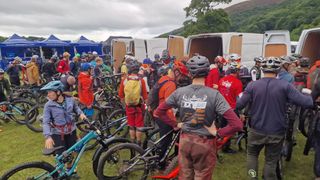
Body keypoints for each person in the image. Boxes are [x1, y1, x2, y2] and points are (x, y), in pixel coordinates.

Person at [154, 55, 243, 179]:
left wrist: (175, 124)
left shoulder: (180, 92)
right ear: (207, 72)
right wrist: (218, 133)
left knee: (185, 176)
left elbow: (158, 112)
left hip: (185, 141)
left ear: (190, 73)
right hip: (205, 143)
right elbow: (237, 124)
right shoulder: (214, 95)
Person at [236, 57, 313, 180]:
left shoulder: (252, 85)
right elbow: (306, 102)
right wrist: (311, 96)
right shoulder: (285, 86)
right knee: (271, 160)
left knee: (252, 155)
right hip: (276, 131)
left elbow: (239, 104)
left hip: (256, 129)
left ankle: (252, 177)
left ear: (262, 69)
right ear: (278, 69)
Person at [41, 81, 86, 178]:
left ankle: (70, 170)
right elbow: (46, 122)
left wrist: (81, 114)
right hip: (57, 133)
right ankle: (60, 173)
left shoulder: (70, 100)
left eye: (50, 92)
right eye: (47, 92)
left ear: (58, 92)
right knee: (60, 155)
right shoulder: (48, 105)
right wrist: (48, 137)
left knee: (71, 152)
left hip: (71, 131)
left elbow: (76, 109)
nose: (48, 94)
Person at [118, 60, 148, 146]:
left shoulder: (124, 80)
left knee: (131, 124)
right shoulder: (141, 81)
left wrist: (124, 104)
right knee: (139, 124)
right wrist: (147, 104)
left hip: (128, 106)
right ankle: (138, 143)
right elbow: (145, 96)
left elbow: (121, 95)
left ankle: (132, 142)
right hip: (139, 105)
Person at [153, 66, 176, 169]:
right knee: (166, 141)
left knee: (162, 138)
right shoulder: (171, 84)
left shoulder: (162, 80)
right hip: (163, 114)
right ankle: (160, 164)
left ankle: (157, 157)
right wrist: (174, 123)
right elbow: (168, 105)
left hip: (156, 111)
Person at [218, 61, 243, 153]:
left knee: (222, 127)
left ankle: (219, 144)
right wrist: (241, 112)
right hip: (231, 108)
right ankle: (226, 147)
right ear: (236, 71)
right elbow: (239, 98)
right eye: (239, 70)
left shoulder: (222, 80)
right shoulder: (238, 83)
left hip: (220, 107)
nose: (240, 72)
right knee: (231, 128)